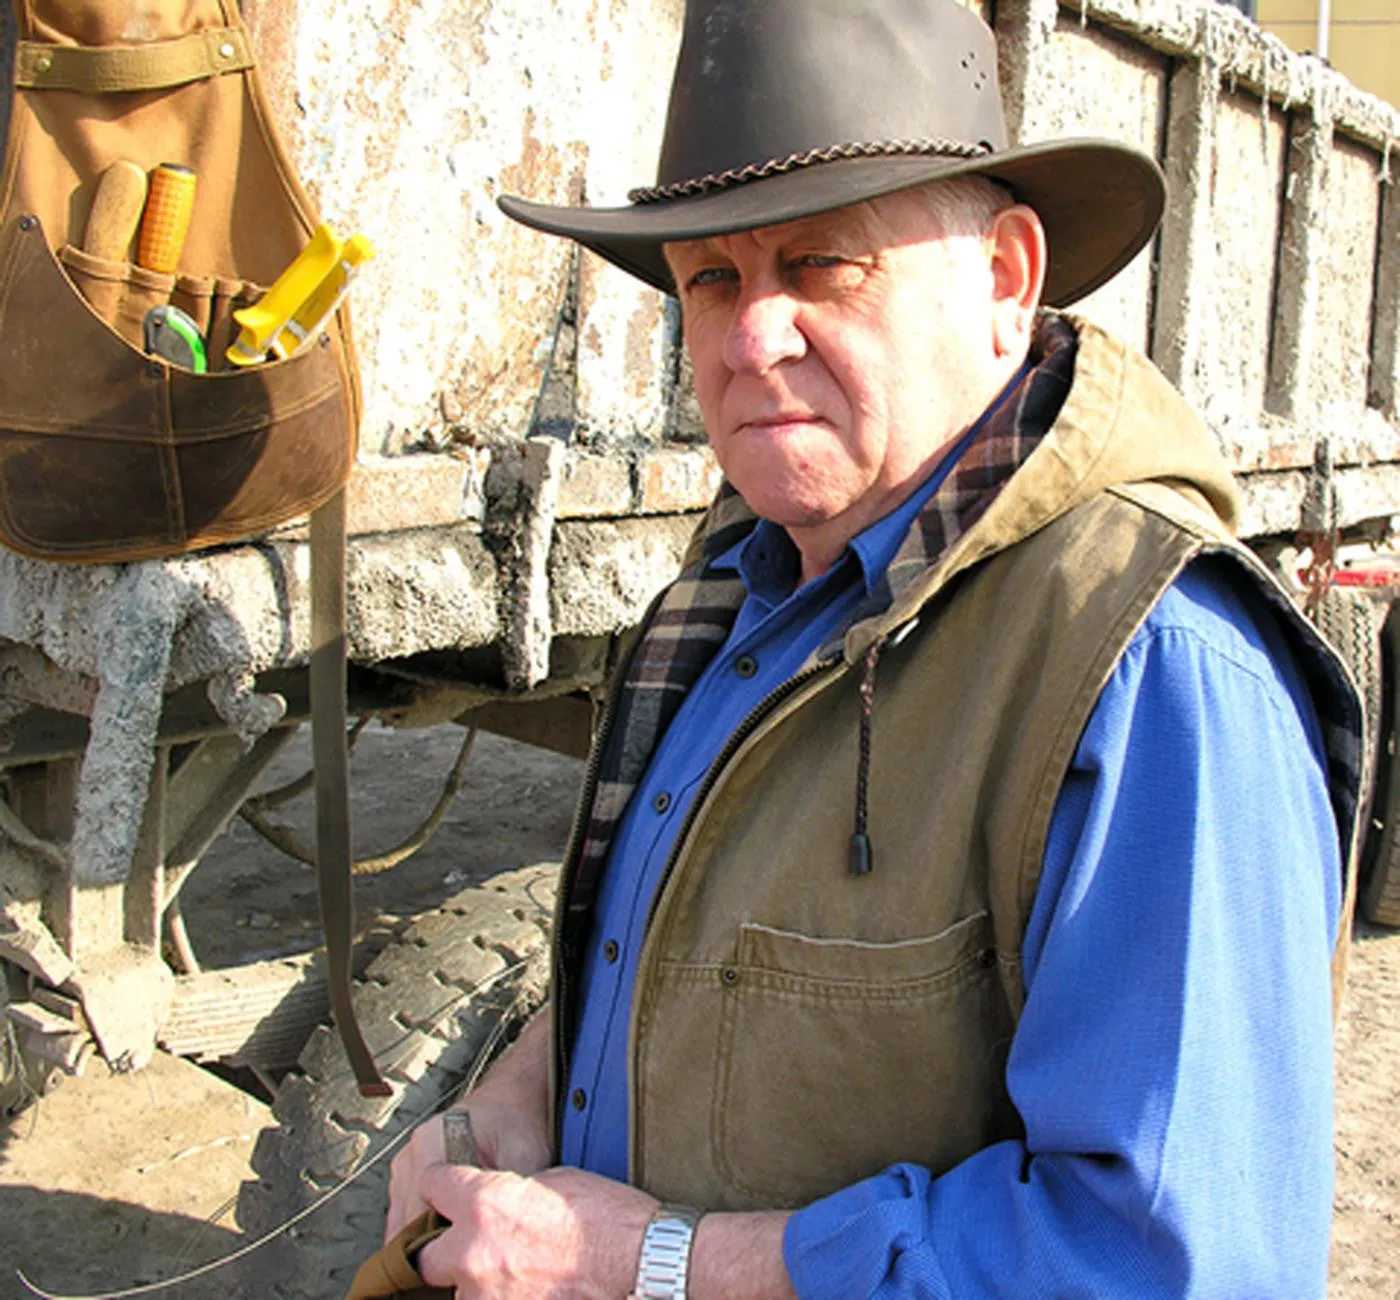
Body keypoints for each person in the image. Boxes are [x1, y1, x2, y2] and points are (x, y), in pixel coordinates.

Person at [384, 1, 1363, 1295]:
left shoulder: (1157, 673)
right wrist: (522, 1093)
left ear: (1009, 278)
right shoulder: (744, 586)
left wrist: (649, 1265)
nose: (748, 338)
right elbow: (697, 956)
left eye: (823, 265)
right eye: (714, 278)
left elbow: (1171, 1268)